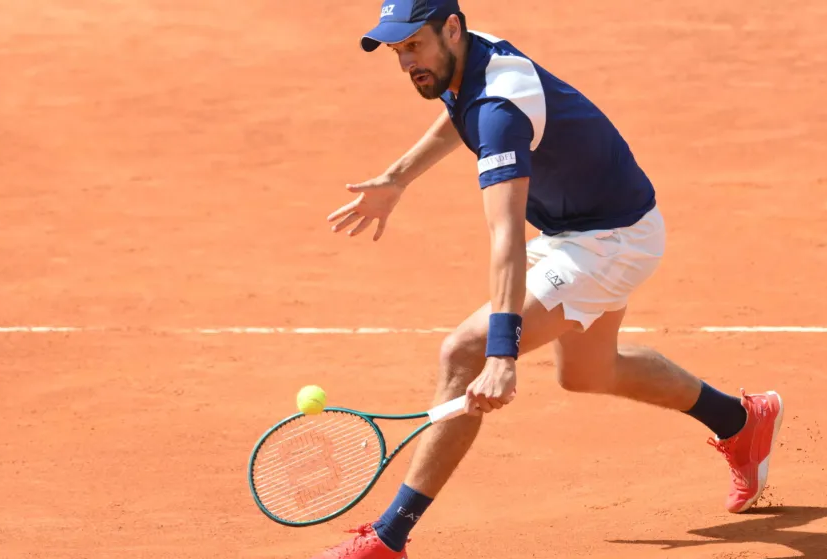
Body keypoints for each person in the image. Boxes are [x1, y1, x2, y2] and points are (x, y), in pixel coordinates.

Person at [316, 1, 784, 557]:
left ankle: (389, 537)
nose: (405, 64)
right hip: (584, 229)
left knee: (462, 352)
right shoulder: (468, 58)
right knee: (588, 373)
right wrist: (397, 178)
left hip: (612, 241)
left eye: (413, 46)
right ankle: (740, 420)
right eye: (397, 51)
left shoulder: (500, 110)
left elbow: (506, 238)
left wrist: (500, 354)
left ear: (451, 29)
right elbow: (458, 108)